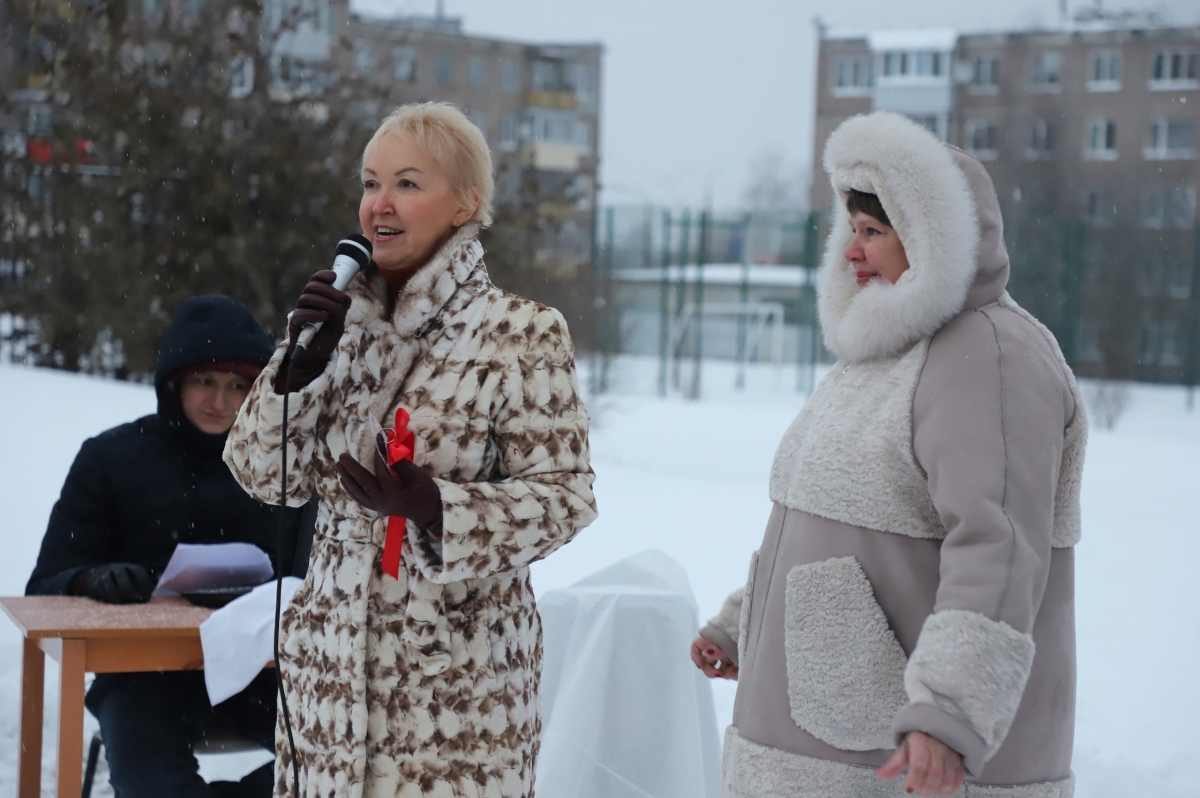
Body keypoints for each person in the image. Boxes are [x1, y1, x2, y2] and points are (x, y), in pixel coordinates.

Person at [693, 111, 1087, 798]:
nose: (851, 251)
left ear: (934, 236)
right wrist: (741, 625)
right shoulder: (883, 352)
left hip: (902, 765)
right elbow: (825, 533)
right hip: (820, 746)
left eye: (873, 232)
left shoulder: (989, 359)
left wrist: (949, 710)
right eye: (850, 230)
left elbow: (998, 547)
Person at [223, 102, 598, 796]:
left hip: (457, 690)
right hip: (328, 681)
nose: (379, 204)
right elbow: (259, 477)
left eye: (406, 183)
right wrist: (297, 375)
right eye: (369, 184)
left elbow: (567, 498)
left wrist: (435, 508)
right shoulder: (334, 319)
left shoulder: (521, 331)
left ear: (466, 204)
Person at [26, 295, 317, 798]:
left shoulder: (285, 469)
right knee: (154, 783)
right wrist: (93, 580)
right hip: (142, 677)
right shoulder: (111, 459)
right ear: (174, 382)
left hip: (264, 673)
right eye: (205, 381)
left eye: (238, 386)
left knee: (338, 760)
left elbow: (314, 580)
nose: (219, 402)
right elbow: (46, 584)